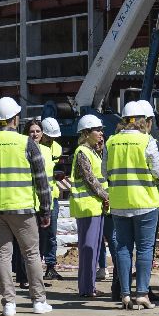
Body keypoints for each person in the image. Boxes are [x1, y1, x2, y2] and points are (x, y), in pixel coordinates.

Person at [0, 97, 54, 315]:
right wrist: (45, 210)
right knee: (31, 254)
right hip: (23, 208)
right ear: (15, 119)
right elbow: (41, 180)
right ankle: (38, 301)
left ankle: (9, 303)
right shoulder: (26, 143)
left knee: (2, 255)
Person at [105, 100, 159, 309]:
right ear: (142, 120)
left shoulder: (111, 142)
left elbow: (105, 172)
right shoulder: (147, 141)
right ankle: (141, 293)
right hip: (145, 203)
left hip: (119, 203)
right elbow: (158, 172)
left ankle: (125, 294)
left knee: (123, 248)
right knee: (144, 249)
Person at [68, 114, 109, 299]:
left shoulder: (93, 152)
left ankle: (90, 285)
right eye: (97, 130)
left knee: (94, 248)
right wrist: (106, 196)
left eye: (101, 130)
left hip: (95, 206)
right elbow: (90, 179)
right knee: (88, 249)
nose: (101, 133)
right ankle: (86, 287)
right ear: (86, 133)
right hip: (87, 207)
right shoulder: (82, 152)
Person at [38, 116, 67, 280]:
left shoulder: (57, 148)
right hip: (35, 197)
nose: (51, 140)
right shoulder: (33, 146)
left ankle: (50, 266)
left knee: (51, 235)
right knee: (36, 236)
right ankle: (34, 267)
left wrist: (59, 174)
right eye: (49, 137)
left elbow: (59, 169)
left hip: (51, 197)